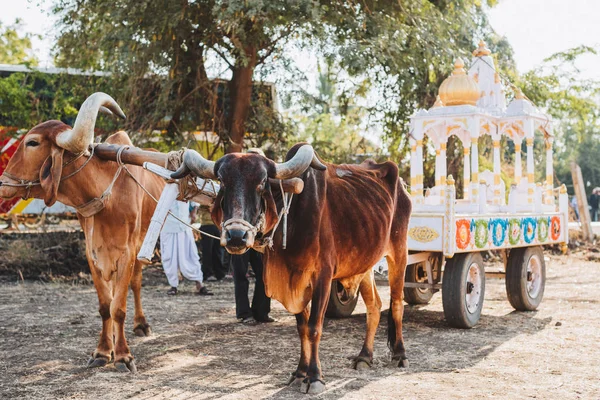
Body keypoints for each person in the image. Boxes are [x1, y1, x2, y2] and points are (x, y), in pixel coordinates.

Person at [230, 147, 274, 324]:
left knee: (264, 274)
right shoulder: (236, 183)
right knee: (240, 275)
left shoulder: (267, 185)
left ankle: (262, 312)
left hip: (260, 235)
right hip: (237, 235)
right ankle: (244, 314)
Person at [160, 200, 212, 296]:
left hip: (184, 225)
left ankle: (199, 284)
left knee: (191, 255)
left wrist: (194, 212)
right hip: (168, 227)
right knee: (169, 257)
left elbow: (194, 200)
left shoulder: (185, 185)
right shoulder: (162, 186)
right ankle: (173, 285)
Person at [198, 205, 228, 281]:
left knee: (218, 250)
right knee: (207, 251)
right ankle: (208, 274)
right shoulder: (203, 194)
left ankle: (220, 273)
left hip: (217, 224)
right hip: (206, 224)